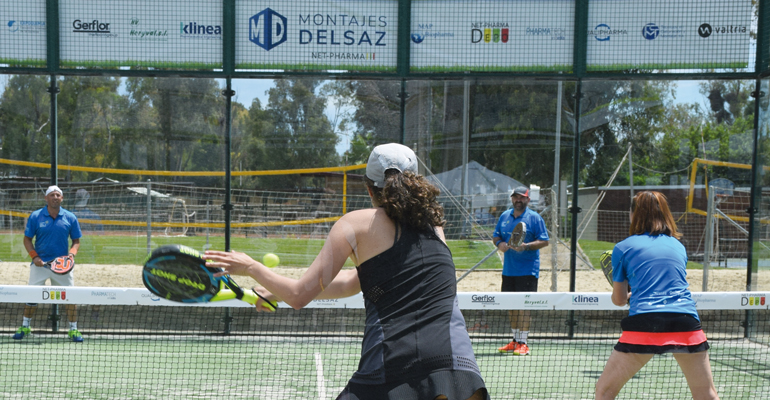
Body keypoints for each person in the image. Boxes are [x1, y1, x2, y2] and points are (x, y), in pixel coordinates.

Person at [205, 143, 489, 400]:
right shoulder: (435, 228)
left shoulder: (355, 225)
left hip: (394, 370)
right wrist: (276, 290)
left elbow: (298, 297)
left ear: (368, 189)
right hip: (460, 373)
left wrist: (250, 267)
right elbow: (353, 283)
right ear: (417, 183)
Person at [595, 191, 719, 400]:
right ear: (665, 214)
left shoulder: (623, 248)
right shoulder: (678, 246)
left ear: (634, 214)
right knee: (706, 394)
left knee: (604, 392)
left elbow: (619, 300)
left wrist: (629, 293)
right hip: (686, 322)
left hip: (645, 323)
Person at [14, 185, 84, 342]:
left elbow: (76, 241)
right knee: (31, 296)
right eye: (52, 195)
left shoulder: (70, 217)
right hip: (40, 265)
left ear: (62, 198)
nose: (55, 197)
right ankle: (25, 326)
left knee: (69, 297)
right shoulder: (35, 216)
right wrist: (34, 257)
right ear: (46, 198)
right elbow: (27, 239)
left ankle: (73, 329)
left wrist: (70, 256)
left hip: (63, 267)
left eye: (58, 195)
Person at [491, 186, 550, 356]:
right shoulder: (504, 216)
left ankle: (524, 343)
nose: (518, 200)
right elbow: (496, 236)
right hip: (508, 271)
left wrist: (526, 247)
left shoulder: (535, 218)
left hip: (527, 271)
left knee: (524, 307)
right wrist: (499, 244)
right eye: (515, 197)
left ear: (527, 200)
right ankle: (515, 340)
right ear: (512, 199)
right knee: (511, 306)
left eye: (521, 197)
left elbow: (544, 241)